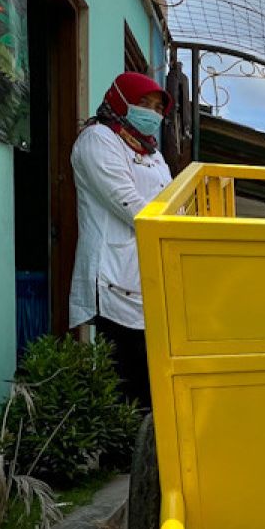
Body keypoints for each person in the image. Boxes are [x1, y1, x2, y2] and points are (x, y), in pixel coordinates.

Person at [69, 72, 173, 409]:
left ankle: (146, 459)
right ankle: (119, 460)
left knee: (149, 381)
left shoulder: (152, 152)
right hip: (113, 274)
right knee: (125, 382)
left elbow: (171, 200)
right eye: (144, 103)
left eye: (158, 107)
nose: (152, 112)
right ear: (119, 99)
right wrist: (174, 227)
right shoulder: (98, 139)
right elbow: (129, 202)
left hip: (148, 277)